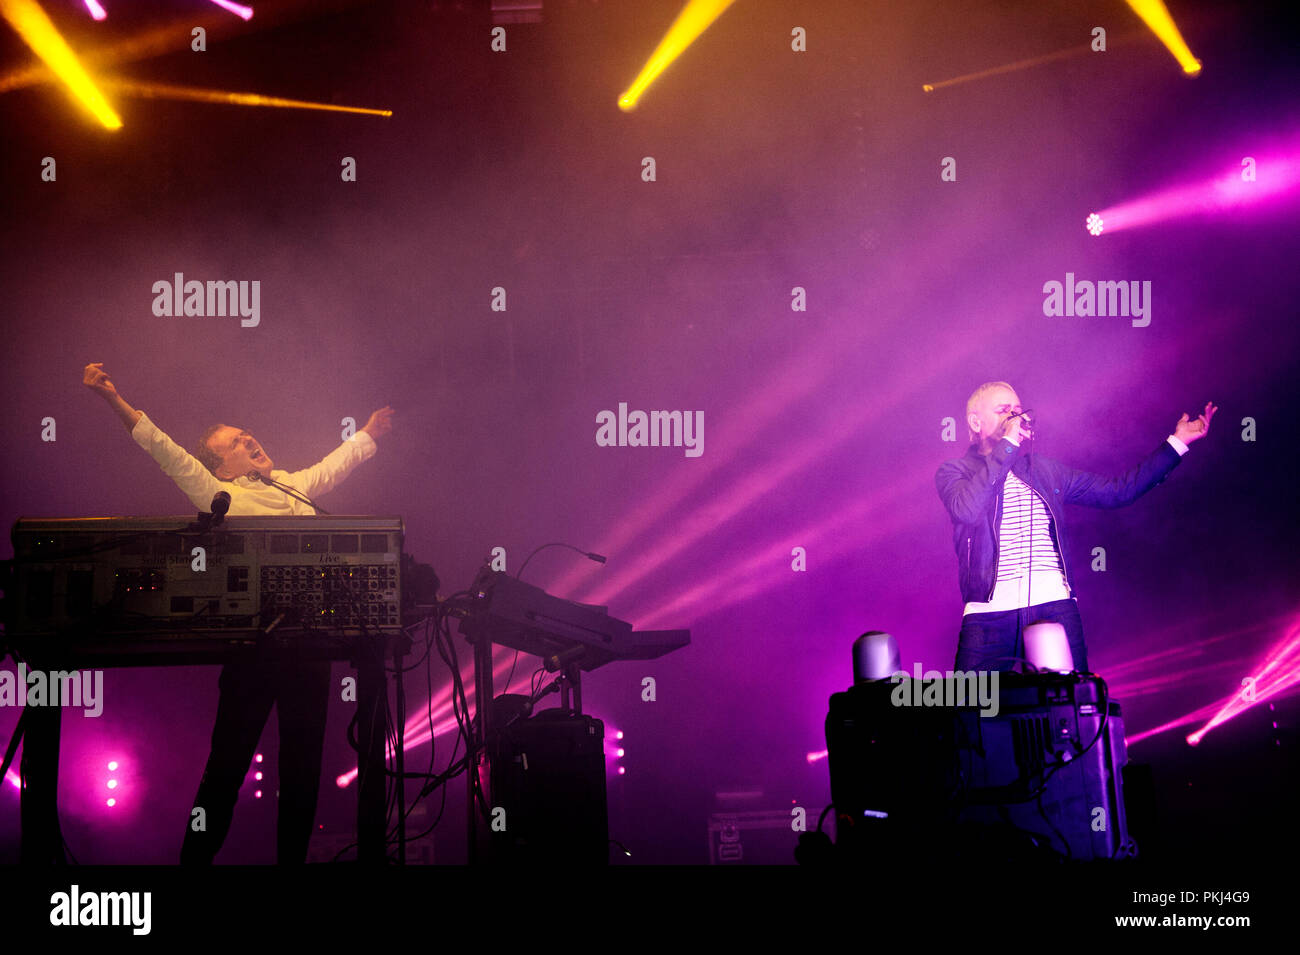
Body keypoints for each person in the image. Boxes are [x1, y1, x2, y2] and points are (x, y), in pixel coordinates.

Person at [83, 361, 394, 863]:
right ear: (220, 465)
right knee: (226, 767)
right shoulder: (219, 492)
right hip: (254, 649)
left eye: (250, 433)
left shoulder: (291, 485)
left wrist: (368, 433)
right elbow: (165, 450)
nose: (251, 439)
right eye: (238, 440)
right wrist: (112, 398)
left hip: (309, 645)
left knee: (301, 771)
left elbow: (333, 466)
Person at [935, 381, 1215, 673]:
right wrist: (1008, 444)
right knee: (971, 709)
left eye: (1017, 410)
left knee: (1068, 706)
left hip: (1053, 605)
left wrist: (1177, 443)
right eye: (1003, 410)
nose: (1014, 417)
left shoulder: (1044, 470)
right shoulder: (954, 472)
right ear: (975, 421)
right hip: (987, 616)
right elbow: (967, 509)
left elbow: (1117, 491)